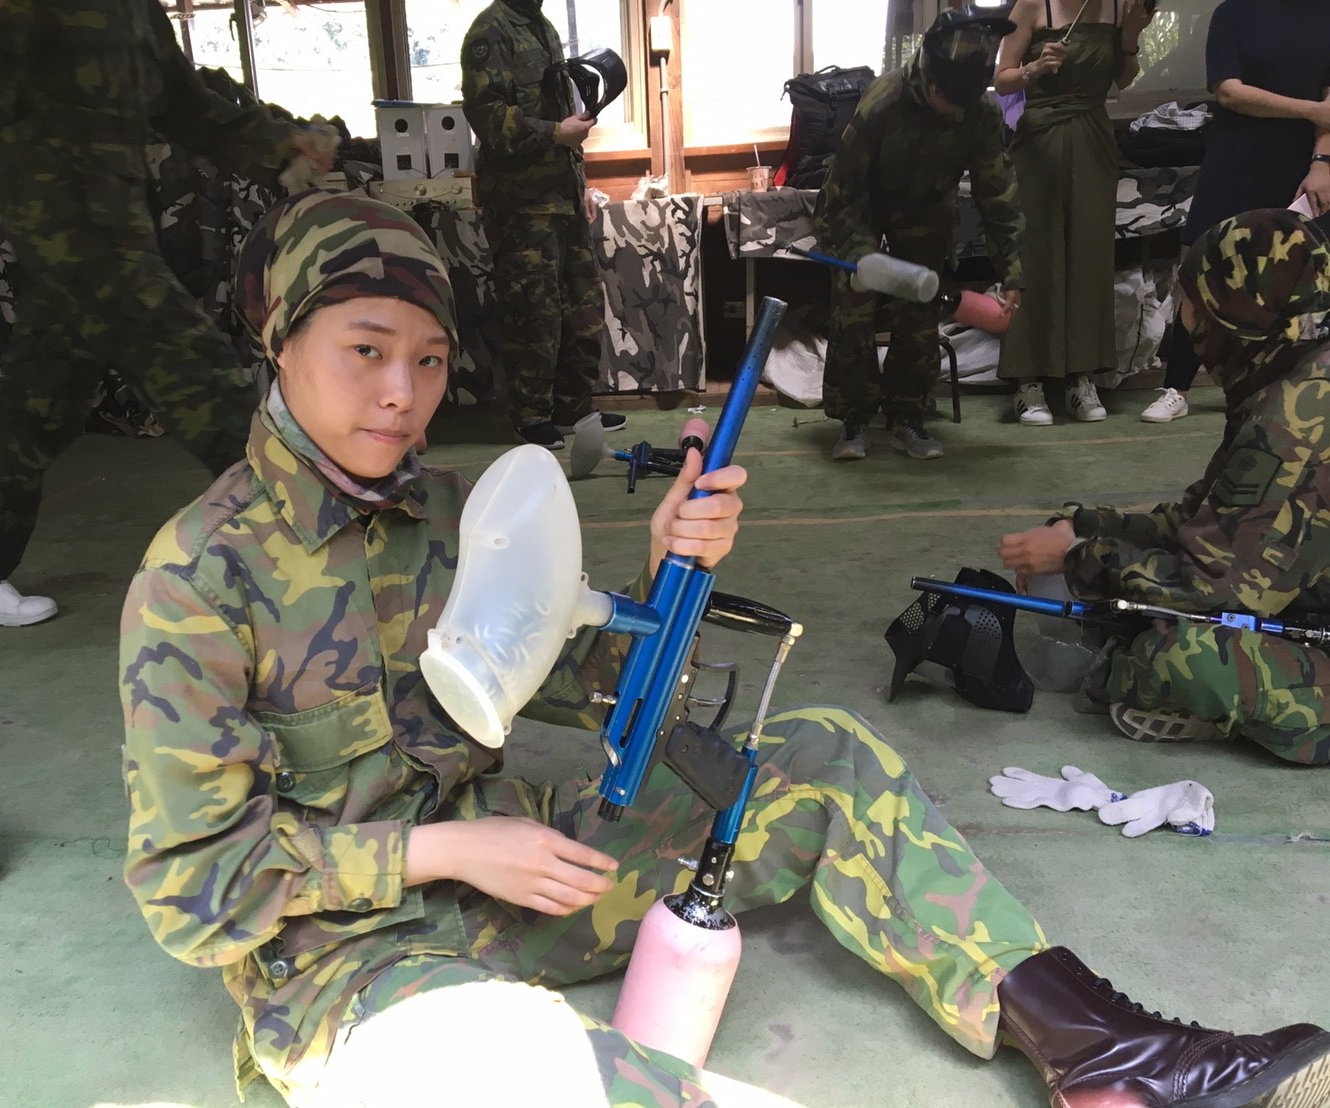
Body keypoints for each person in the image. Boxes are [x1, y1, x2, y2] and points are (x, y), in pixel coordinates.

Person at [118, 191, 1330, 1108]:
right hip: (338, 959)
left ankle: (1106, 1059)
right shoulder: (197, 576)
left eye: (428, 359)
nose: (402, 391)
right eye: (365, 349)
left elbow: (592, 682)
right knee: (564, 1076)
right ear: (281, 342)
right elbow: (189, 889)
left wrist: (662, 577)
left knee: (819, 759)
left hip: (512, 876)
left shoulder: (447, 510)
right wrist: (442, 846)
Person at [0, 0, 329, 626]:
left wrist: (280, 141)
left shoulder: (134, 10)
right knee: (196, 369)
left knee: (40, 397)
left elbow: (186, 103)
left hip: (117, 223)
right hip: (65, 226)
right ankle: (307, 538)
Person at [1000, 208, 1330, 764]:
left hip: (1294, 611)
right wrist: (1086, 526)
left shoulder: (1294, 422)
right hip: (1306, 602)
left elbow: (1217, 591)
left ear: (1229, 311)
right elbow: (1202, 522)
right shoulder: (1288, 380)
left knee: (1178, 657)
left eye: (1190, 299)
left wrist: (1079, 559)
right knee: (1145, 613)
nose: (1184, 316)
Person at [817, 5, 1024, 464]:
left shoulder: (980, 112)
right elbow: (840, 191)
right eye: (946, 98)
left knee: (921, 306)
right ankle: (853, 418)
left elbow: (998, 195)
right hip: (862, 205)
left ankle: (907, 416)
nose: (953, 111)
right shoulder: (884, 102)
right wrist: (858, 256)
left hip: (928, 207)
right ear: (930, 79)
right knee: (854, 306)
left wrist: (1012, 271)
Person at [1141, 0, 1330, 425]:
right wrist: (1310, 110)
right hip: (1236, 160)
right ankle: (1176, 387)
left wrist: (1323, 164)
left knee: (1305, 277)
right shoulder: (1234, 13)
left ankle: (1293, 386)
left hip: (1304, 165)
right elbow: (1229, 92)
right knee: (1202, 270)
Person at [460, 0, 624, 453]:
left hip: (563, 197)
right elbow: (488, 118)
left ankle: (574, 408)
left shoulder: (542, 26)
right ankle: (531, 417)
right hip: (521, 207)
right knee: (534, 313)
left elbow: (561, 111)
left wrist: (581, 184)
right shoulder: (490, 32)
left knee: (582, 306)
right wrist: (555, 134)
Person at [993, 0, 1154, 427]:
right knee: (1036, 252)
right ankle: (1028, 381)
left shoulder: (1118, 7)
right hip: (1039, 138)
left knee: (1089, 254)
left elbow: (1123, 79)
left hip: (1093, 135)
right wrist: (1034, 69)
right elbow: (1001, 81)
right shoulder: (1032, 5)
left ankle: (1081, 378)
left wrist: (1131, 35)